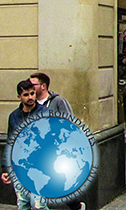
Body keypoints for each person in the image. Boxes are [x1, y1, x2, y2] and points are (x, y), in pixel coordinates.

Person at [30, 73, 84, 210]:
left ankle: (76, 206)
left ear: (43, 86)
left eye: (33, 84)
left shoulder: (58, 102)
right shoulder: (30, 103)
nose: (30, 87)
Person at [2, 80, 51, 209]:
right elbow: (10, 142)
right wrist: (6, 168)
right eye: (26, 95)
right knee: (23, 203)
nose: (30, 97)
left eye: (32, 93)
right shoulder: (14, 116)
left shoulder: (44, 113)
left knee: (38, 205)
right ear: (19, 97)